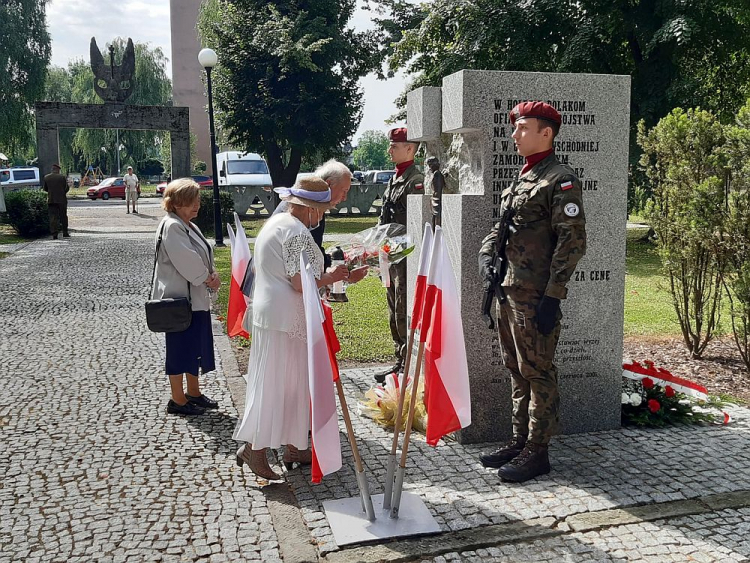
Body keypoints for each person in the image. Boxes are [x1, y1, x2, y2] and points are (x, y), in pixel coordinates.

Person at [477, 101, 587, 483]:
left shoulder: (560, 179)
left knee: (538, 371)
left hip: (535, 294)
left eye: (523, 128)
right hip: (509, 288)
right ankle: (519, 440)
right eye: (514, 127)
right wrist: (487, 253)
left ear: (547, 133)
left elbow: (572, 242)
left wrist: (553, 296)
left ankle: (538, 451)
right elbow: (503, 226)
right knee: (516, 368)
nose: (514, 135)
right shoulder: (523, 178)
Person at [234, 177, 349, 480]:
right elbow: (300, 282)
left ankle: (294, 446)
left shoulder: (277, 223)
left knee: (287, 384)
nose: (323, 215)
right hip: (285, 319)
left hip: (272, 314)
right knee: (281, 386)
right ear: (309, 208)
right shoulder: (296, 231)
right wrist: (333, 276)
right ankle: (255, 449)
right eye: (321, 210)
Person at [152, 178, 222, 416]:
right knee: (180, 349)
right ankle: (178, 400)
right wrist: (207, 277)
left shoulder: (187, 225)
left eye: (197, 200)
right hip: (181, 300)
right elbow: (187, 260)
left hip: (194, 298)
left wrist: (211, 274)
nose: (197, 206)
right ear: (176, 203)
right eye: (190, 202)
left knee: (194, 348)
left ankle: (193, 391)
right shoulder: (172, 226)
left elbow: (201, 254)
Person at [375, 127, 424, 383]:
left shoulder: (416, 180)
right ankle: (399, 360)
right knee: (394, 307)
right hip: (393, 256)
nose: (389, 150)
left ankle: (407, 363)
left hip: (406, 255)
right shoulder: (395, 178)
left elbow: (415, 225)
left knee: (404, 307)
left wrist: (396, 251)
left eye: (395, 146)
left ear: (410, 148)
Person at [42, 163, 70, 239]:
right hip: (62, 200)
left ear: (52, 169)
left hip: (51, 200)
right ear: (58, 170)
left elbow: (45, 189)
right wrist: (62, 193)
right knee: (63, 216)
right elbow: (66, 188)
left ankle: (54, 234)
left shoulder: (47, 177)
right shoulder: (62, 177)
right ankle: (65, 232)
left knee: (53, 217)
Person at [426, 156, 446, 227]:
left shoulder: (437, 174)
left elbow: (438, 188)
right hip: (435, 199)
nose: (429, 168)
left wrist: (436, 198)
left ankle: (436, 235)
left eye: (430, 165)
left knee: (437, 219)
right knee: (434, 219)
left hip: (437, 199)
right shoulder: (435, 174)